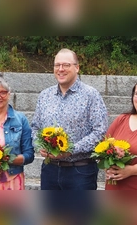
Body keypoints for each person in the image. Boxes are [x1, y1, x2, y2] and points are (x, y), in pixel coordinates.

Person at [31, 48, 108, 190]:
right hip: (50, 170)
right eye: (57, 65)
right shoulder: (45, 96)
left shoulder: (91, 95)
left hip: (80, 171)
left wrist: (72, 150)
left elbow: (99, 131)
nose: (60, 69)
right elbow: (35, 127)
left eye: (66, 65)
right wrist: (40, 145)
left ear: (77, 67)